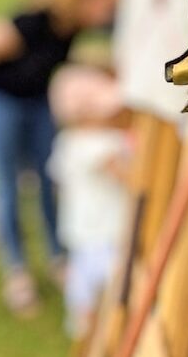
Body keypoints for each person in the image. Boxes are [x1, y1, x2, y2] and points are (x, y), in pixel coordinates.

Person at [0, 0, 117, 316]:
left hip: (37, 100)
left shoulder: (70, 25)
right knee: (9, 183)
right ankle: (17, 271)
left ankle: (57, 257)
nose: (111, 6)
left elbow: (49, 58)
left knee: (48, 176)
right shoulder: (35, 19)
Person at [46, 64, 131, 339]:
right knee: (115, 293)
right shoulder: (99, 144)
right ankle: (109, 334)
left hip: (82, 234)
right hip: (108, 233)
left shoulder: (67, 141)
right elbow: (130, 178)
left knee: (86, 295)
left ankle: (89, 330)